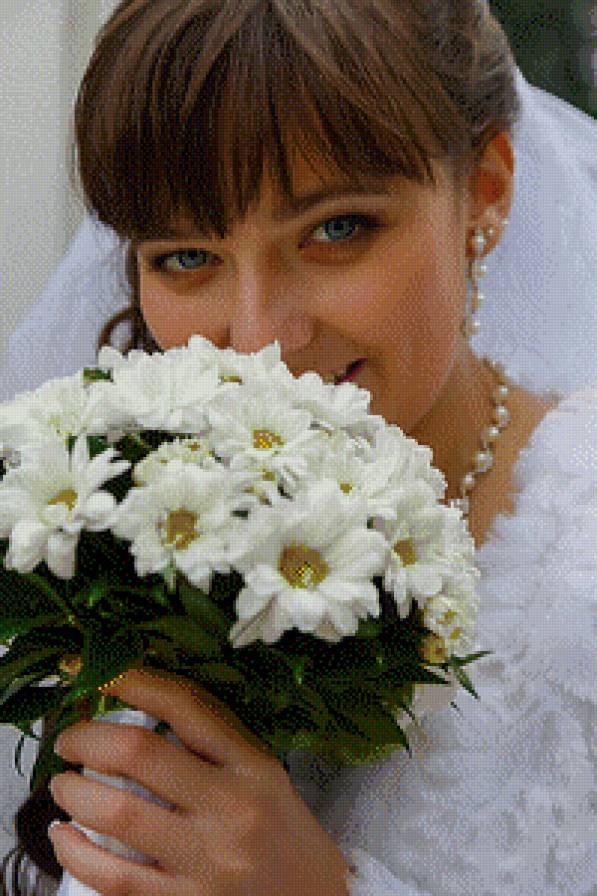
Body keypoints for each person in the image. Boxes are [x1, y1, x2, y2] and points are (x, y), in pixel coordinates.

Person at [0, 1, 595, 894]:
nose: (259, 340)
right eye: (187, 256)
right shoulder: (132, 534)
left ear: (485, 190)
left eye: (337, 229)